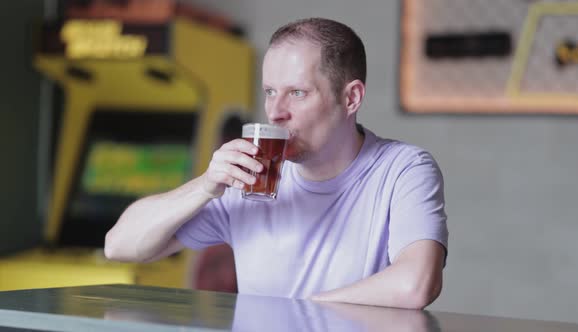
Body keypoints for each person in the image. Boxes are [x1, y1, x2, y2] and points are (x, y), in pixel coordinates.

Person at [105, 17, 448, 309]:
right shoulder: (251, 176)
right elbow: (119, 246)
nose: (275, 111)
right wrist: (206, 185)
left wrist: (302, 312)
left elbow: (416, 283)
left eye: (297, 93)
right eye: (270, 91)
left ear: (351, 97)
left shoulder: (402, 169)